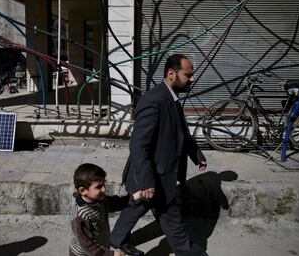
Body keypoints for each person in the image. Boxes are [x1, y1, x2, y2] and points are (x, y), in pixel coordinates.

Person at [110, 54, 208, 256]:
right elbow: (138, 145)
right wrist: (146, 182)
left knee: (135, 208)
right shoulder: (153, 100)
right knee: (173, 223)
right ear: (172, 74)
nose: (192, 79)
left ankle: (116, 240)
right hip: (153, 177)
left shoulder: (172, 98)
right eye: (188, 75)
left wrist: (196, 155)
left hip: (156, 175)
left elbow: (180, 132)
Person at [69, 163, 143, 256]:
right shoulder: (80, 215)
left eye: (104, 184)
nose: (104, 189)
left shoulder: (100, 200)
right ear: (83, 190)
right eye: (99, 187)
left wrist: (136, 196)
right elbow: (87, 245)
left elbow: (116, 203)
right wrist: (111, 254)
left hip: (101, 248)